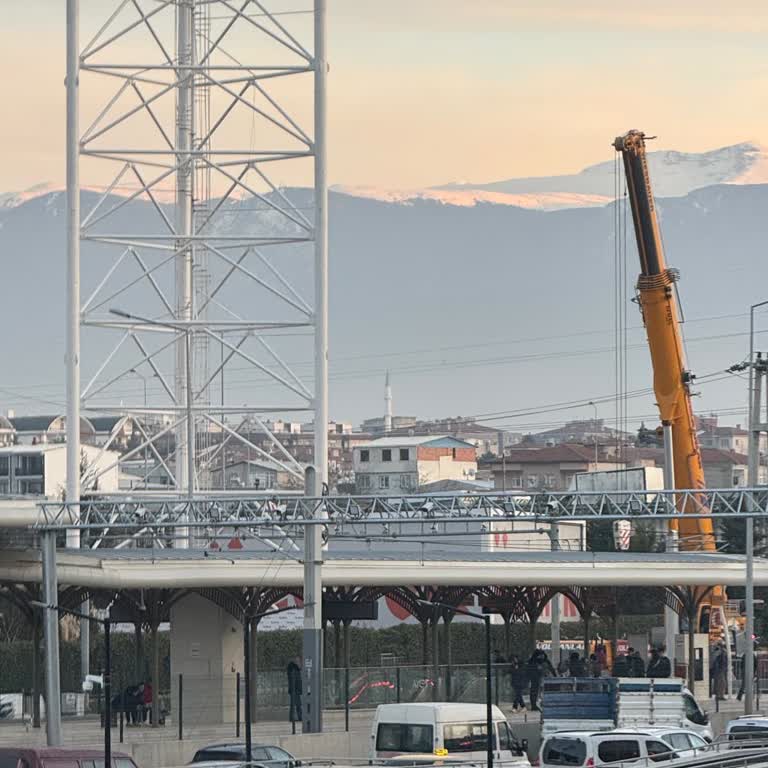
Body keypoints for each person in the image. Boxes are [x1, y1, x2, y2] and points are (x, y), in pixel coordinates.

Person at [286, 656, 303, 723]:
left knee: (297, 704)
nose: (300, 663)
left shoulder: (295, 669)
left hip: (295, 689)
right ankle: (295, 717)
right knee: (295, 704)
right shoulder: (293, 669)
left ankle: (297, 717)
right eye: (299, 661)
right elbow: (296, 680)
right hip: (294, 689)